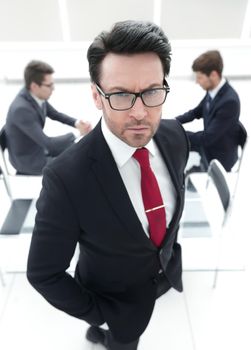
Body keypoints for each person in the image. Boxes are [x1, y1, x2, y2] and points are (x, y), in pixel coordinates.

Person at [27, 20, 189, 349]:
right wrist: (100, 314)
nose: (140, 112)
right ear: (96, 97)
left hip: (161, 275)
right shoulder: (65, 178)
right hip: (111, 298)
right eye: (120, 95)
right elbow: (43, 273)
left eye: (152, 92)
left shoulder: (174, 137)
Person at [5, 60, 92, 175]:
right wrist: (78, 133)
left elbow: (55, 114)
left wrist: (77, 123)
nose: (53, 88)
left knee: (79, 150)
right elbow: (48, 144)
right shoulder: (22, 109)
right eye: (49, 85)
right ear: (34, 86)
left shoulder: (33, 94)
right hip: (29, 160)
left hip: (38, 149)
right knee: (77, 162)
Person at [176, 50, 240, 172]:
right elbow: (195, 113)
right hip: (210, 146)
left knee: (175, 146)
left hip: (219, 158)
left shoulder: (229, 102)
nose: (197, 81)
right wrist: (173, 122)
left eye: (199, 77)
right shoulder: (213, 90)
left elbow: (207, 138)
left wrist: (179, 135)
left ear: (214, 75)